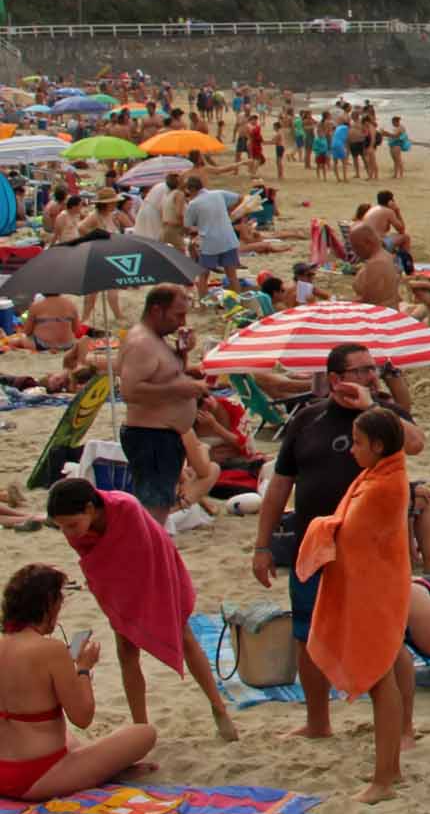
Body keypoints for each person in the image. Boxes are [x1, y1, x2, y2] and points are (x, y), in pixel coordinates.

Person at [252, 343, 425, 746]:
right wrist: (262, 545)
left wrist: (370, 403)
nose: (371, 376)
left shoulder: (383, 416)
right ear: (334, 379)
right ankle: (318, 721)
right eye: (360, 371)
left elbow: (416, 443)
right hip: (314, 548)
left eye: (372, 369)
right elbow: (280, 485)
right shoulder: (307, 419)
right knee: (307, 632)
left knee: (388, 639)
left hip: (371, 556)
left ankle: (403, 727)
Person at [45, 478, 236, 740]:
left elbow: (148, 553)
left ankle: (219, 709)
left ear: (89, 508)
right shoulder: (77, 530)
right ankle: (140, 727)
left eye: (71, 525)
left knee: (185, 637)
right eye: (61, 527)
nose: (68, 533)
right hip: (116, 585)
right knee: (126, 652)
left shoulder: (126, 507)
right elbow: (95, 564)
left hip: (157, 572)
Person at [298, 406, 414, 804]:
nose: (352, 450)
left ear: (377, 445)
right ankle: (390, 769)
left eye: (358, 442)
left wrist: (319, 527)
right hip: (376, 588)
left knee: (381, 680)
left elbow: (352, 535)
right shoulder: (377, 475)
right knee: (385, 676)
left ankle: (383, 780)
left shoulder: (384, 486)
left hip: (376, 593)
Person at [0, 564, 159, 801]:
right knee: (144, 734)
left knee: (67, 738)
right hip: (38, 776)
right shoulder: (52, 650)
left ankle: (99, 769)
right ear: (48, 606)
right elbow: (83, 718)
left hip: (4, 767)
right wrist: (83, 668)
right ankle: (104, 772)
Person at [115, 284, 203, 519]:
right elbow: (130, 391)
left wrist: (183, 354)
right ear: (156, 310)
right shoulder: (141, 343)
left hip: (162, 435)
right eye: (178, 315)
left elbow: (165, 376)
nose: (182, 322)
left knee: (161, 504)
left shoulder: (157, 340)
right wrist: (182, 388)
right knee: (154, 507)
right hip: (150, 436)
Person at [180, 173, 246, 292]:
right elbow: (240, 198)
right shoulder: (218, 193)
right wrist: (229, 212)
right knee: (232, 276)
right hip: (228, 239)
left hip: (210, 243)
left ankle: (203, 302)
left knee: (203, 277)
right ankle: (238, 300)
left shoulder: (193, 204)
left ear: (191, 189)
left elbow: (187, 226)